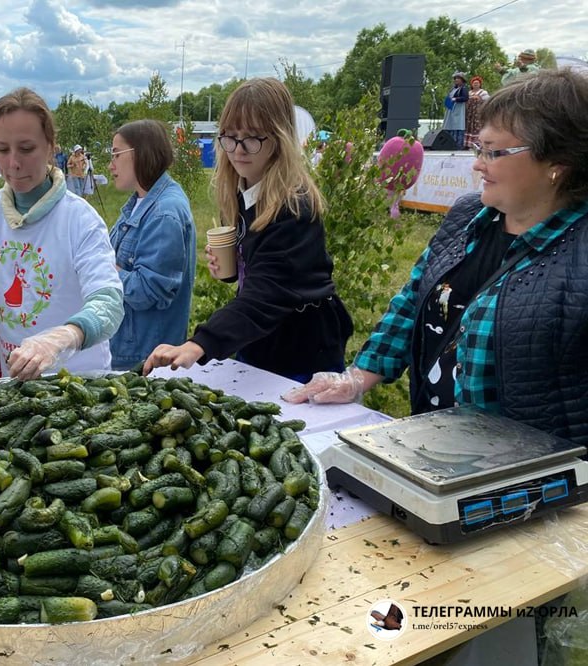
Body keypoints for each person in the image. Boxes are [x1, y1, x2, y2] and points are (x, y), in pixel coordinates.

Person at [285, 69, 588, 448]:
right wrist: (358, 376)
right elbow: (411, 303)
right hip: (435, 451)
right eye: (479, 148)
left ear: (557, 161)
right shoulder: (467, 217)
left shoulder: (578, 259)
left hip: (524, 483)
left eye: (493, 151)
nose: (478, 163)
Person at [143, 78, 353, 381]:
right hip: (258, 337)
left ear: (279, 138)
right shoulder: (243, 191)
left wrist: (199, 344)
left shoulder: (294, 207)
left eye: (253, 137)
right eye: (230, 136)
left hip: (303, 349)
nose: (238, 149)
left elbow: (268, 293)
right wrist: (232, 268)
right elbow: (259, 270)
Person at [0, 87, 124, 379]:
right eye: (2, 149)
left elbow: (109, 305)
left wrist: (59, 339)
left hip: (81, 384)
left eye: (26, 149)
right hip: (18, 382)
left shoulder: (79, 218)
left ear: (50, 146)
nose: (13, 163)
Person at [107, 119, 196, 370]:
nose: (110, 164)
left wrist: (105, 269)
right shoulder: (141, 200)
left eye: (116, 153)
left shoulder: (164, 213)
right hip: (132, 347)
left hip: (145, 357)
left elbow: (149, 291)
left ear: (140, 153)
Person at [443, 72, 469, 150]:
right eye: (455, 79)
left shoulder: (463, 89)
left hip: (458, 110)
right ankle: (448, 143)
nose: (456, 80)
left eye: (458, 78)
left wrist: (456, 99)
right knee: (449, 124)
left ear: (462, 80)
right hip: (451, 109)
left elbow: (465, 98)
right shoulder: (453, 89)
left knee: (457, 125)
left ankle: (457, 144)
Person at [463, 75, 490, 149]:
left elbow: (487, 101)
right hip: (469, 114)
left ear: (480, 84)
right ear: (472, 84)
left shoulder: (483, 92)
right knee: (469, 127)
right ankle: (468, 144)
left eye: (477, 83)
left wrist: (478, 99)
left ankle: (478, 143)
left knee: (477, 127)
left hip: (478, 113)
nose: (475, 84)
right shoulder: (469, 92)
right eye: (474, 83)